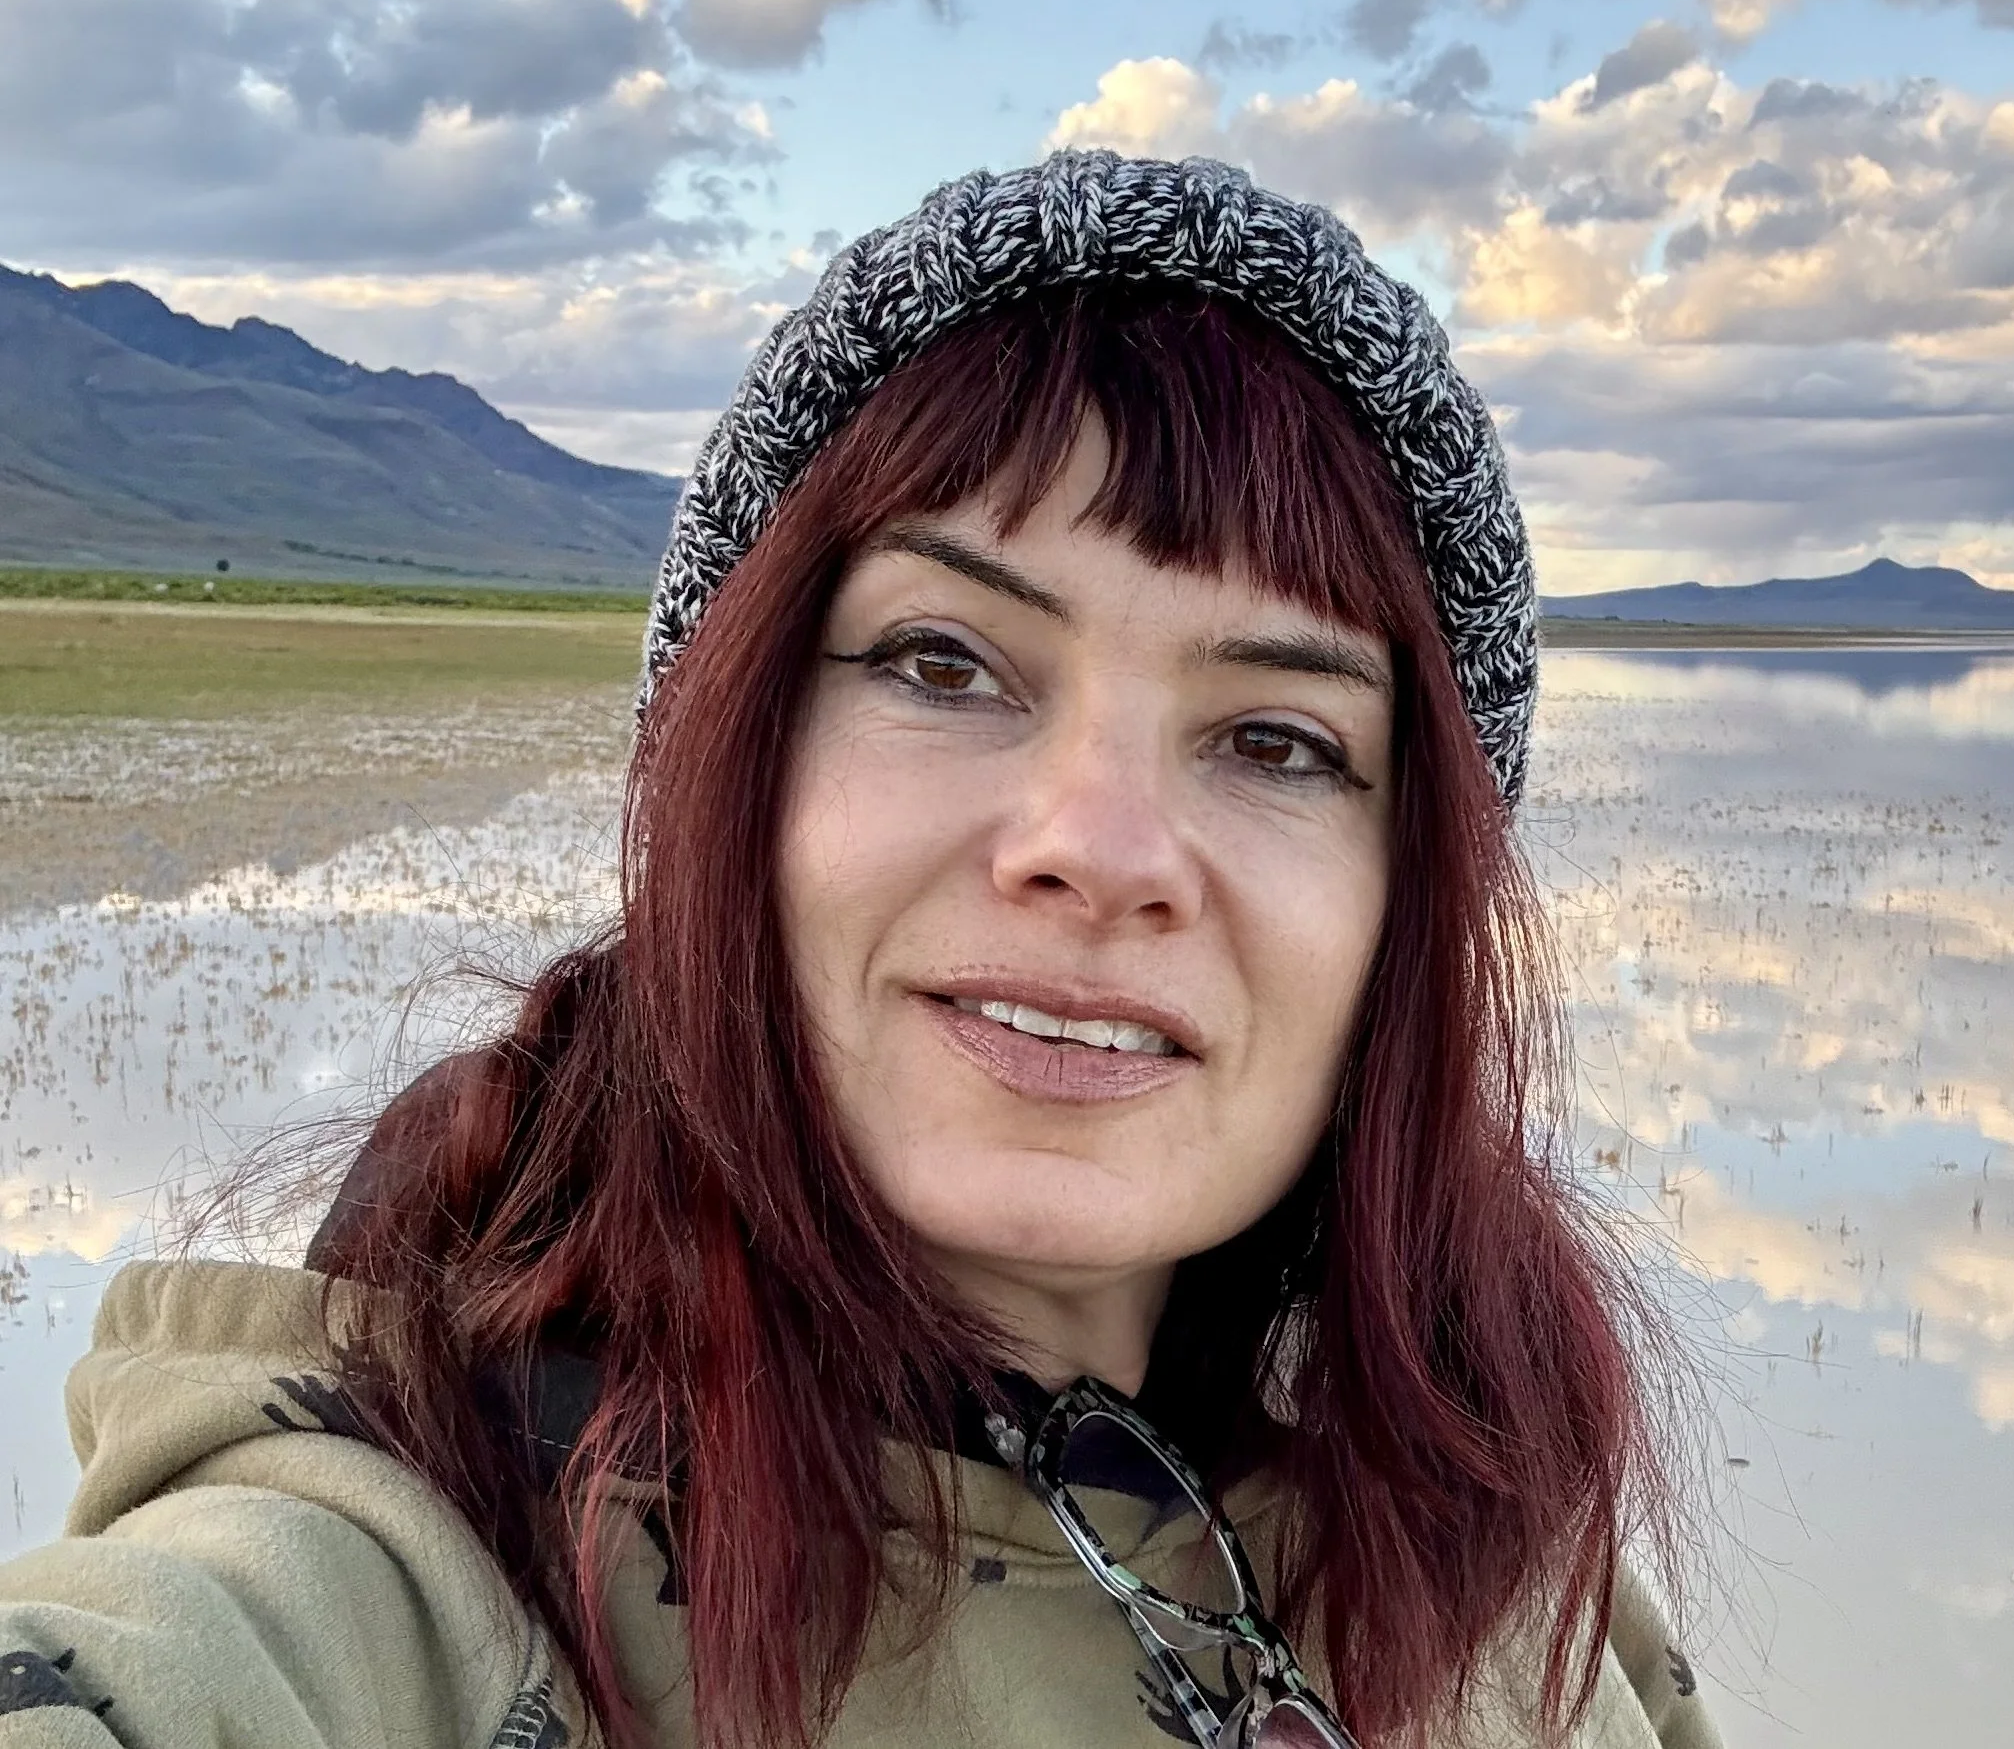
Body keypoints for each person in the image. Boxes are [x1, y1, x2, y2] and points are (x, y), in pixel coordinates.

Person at [0, 153, 1718, 1748]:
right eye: (944, 663)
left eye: (1278, 739)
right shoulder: (394, 1572)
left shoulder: (1519, 1607)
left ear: (1403, 908)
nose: (1099, 847)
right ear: (737, 770)